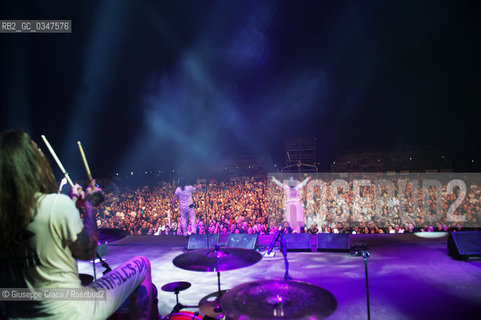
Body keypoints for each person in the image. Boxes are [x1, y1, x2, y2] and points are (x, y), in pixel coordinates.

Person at [0, 130, 157, 319]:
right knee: (142, 264)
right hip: (70, 312)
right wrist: (90, 206)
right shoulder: (54, 204)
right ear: (31, 165)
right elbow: (87, 251)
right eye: (37, 151)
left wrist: (72, 206)